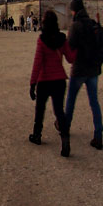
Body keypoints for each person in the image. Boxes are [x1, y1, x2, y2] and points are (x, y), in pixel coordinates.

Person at [62, 0, 103, 153]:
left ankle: (65, 128)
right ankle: (98, 134)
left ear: (74, 10)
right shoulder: (93, 24)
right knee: (94, 102)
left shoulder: (76, 26)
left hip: (79, 68)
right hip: (93, 69)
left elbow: (71, 46)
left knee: (71, 100)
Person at [28, 9, 70, 154]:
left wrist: (32, 83)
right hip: (59, 79)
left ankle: (37, 134)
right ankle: (65, 139)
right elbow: (71, 57)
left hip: (45, 80)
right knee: (59, 110)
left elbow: (37, 63)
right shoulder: (62, 38)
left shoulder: (42, 40)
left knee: (40, 109)